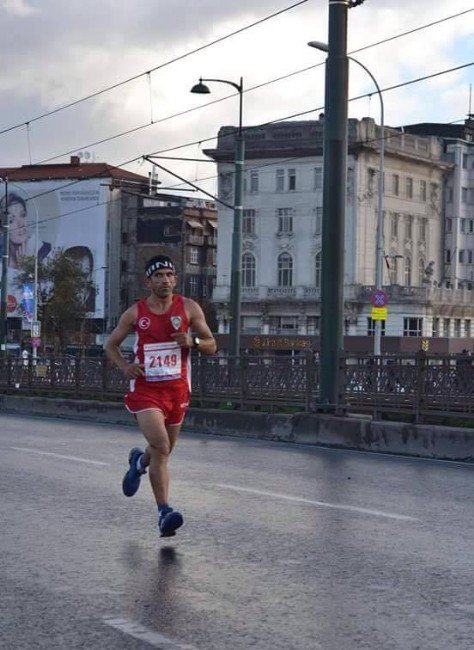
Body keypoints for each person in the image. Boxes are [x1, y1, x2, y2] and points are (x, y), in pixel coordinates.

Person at [105, 254, 217, 537]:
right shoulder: (135, 313)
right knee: (161, 445)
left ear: (175, 279)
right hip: (146, 390)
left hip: (177, 389)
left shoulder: (189, 308)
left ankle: (138, 463)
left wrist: (193, 341)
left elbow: (212, 345)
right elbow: (110, 345)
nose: (164, 280)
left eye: (169, 274)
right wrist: (125, 366)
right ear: (148, 281)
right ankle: (164, 511)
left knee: (161, 453)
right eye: (158, 275)